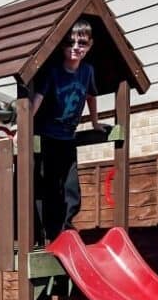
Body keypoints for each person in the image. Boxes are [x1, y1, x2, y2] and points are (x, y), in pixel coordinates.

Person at [32, 18, 105, 242]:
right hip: (46, 136)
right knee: (49, 185)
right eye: (70, 42)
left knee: (71, 186)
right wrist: (22, 128)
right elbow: (37, 98)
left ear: (90, 45)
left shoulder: (88, 71)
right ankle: (48, 231)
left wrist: (94, 123)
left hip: (68, 137)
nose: (76, 47)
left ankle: (66, 226)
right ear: (62, 45)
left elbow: (91, 96)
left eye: (82, 43)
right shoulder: (53, 72)